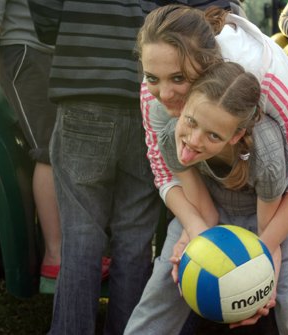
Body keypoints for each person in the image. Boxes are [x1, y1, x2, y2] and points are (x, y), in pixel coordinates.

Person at [125, 4, 288, 334]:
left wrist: (261, 260)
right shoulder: (160, 100)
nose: (163, 93)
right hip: (214, 167)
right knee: (166, 284)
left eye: (178, 78)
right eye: (152, 78)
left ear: (205, 67)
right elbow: (165, 172)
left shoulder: (263, 77)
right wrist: (195, 230)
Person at [27, 1, 233, 334]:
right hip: (150, 100)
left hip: (84, 96)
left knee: (81, 233)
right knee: (136, 236)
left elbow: (46, 15)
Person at [0, 0, 63, 281]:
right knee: (50, 151)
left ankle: (66, 245)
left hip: (45, 51)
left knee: (59, 148)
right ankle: (55, 255)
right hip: (23, 51)